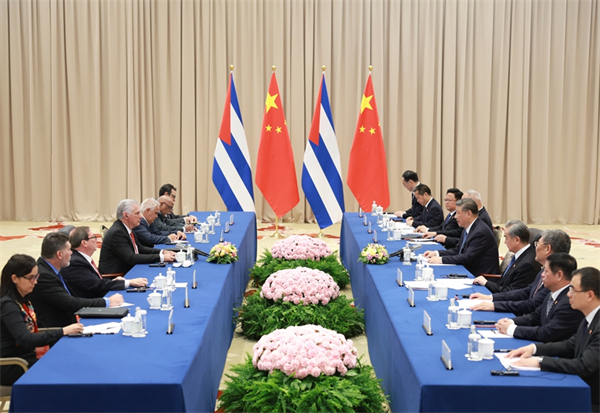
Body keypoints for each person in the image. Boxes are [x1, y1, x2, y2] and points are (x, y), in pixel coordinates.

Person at [506, 267, 599, 412]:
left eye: (573, 290)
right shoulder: (589, 317)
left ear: (589, 295)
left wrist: (540, 361)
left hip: (591, 399)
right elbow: (569, 345)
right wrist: (534, 349)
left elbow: (584, 365)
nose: (568, 294)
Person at [0, 255, 84, 385]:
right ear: (14, 278)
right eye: (30, 278)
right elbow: (26, 339)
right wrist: (62, 331)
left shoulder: (23, 299)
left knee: (72, 359)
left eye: (36, 277)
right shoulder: (8, 305)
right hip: (13, 364)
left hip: (27, 356)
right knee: (66, 368)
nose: (35, 282)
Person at [27, 233, 123, 328]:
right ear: (59, 254)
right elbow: (70, 303)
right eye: (69, 250)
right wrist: (107, 301)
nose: (71, 253)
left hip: (71, 322)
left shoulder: (50, 269)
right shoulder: (43, 276)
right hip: (58, 330)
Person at [469, 229, 571, 315]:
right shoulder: (544, 270)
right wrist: (490, 297)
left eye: (537, 244)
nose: (535, 248)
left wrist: (494, 305)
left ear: (547, 249)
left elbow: (531, 305)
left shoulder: (555, 278)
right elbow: (526, 291)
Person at [495, 252, 583, 343]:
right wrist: (511, 321)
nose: (542, 274)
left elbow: (547, 333)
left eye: (546, 271)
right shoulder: (553, 293)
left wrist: (511, 329)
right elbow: (535, 317)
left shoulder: (569, 302)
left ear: (559, 275)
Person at [61, 227, 147, 298]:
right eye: (93, 237)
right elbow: (97, 285)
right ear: (84, 243)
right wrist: (129, 282)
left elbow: (93, 281)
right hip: (93, 305)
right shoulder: (75, 263)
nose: (96, 239)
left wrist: (113, 281)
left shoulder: (81, 258)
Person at [423, 198, 499, 276]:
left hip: (480, 275)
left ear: (468, 214)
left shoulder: (480, 232)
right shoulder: (468, 227)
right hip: (469, 269)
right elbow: (458, 250)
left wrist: (441, 260)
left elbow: (467, 258)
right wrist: (436, 253)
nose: (455, 217)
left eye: (458, 213)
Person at [99, 199, 176, 275]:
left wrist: (162, 252)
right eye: (137, 213)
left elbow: (140, 248)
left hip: (129, 269)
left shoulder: (127, 228)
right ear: (126, 215)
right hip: (118, 276)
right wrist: (161, 257)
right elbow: (131, 258)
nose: (141, 217)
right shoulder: (117, 233)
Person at [472, 220, 540, 293]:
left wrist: (486, 283)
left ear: (517, 240)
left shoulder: (527, 265)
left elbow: (511, 293)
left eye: (506, 238)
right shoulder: (520, 255)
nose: (505, 242)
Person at [428, 189, 493, 249]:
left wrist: (446, 239)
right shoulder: (475, 215)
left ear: (472, 203)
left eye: (463, 201)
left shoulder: (481, 219)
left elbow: (466, 243)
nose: (461, 204)